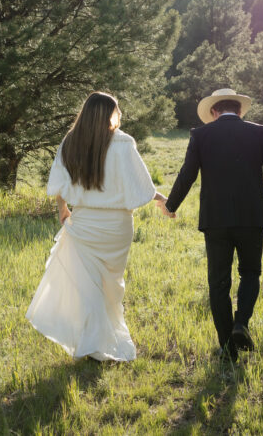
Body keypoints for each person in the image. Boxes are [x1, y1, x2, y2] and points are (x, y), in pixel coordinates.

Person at [157, 88, 263, 361]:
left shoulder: (200, 135)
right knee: (250, 273)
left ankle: (227, 347)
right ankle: (241, 323)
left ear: (213, 112)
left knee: (218, 283)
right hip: (251, 217)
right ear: (240, 110)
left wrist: (171, 205)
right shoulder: (260, 132)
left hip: (215, 219)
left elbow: (188, 174)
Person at [27, 91, 167, 361]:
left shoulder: (71, 142)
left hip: (84, 224)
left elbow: (58, 182)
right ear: (109, 114)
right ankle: (97, 343)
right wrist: (161, 199)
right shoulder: (123, 143)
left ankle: (91, 343)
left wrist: (63, 210)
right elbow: (140, 186)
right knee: (110, 286)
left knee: (87, 288)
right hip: (117, 226)